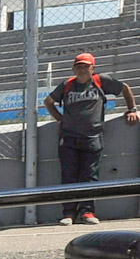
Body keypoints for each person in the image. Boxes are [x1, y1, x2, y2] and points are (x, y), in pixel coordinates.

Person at [45, 52, 140, 224]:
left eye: (85, 66)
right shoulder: (67, 84)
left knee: (90, 176)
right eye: (78, 67)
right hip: (69, 138)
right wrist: (60, 119)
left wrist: (132, 109)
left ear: (92, 68)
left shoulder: (100, 81)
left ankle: (87, 212)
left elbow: (124, 88)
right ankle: (68, 214)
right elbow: (48, 102)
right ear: (74, 69)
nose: (82, 70)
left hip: (93, 137)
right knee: (68, 176)